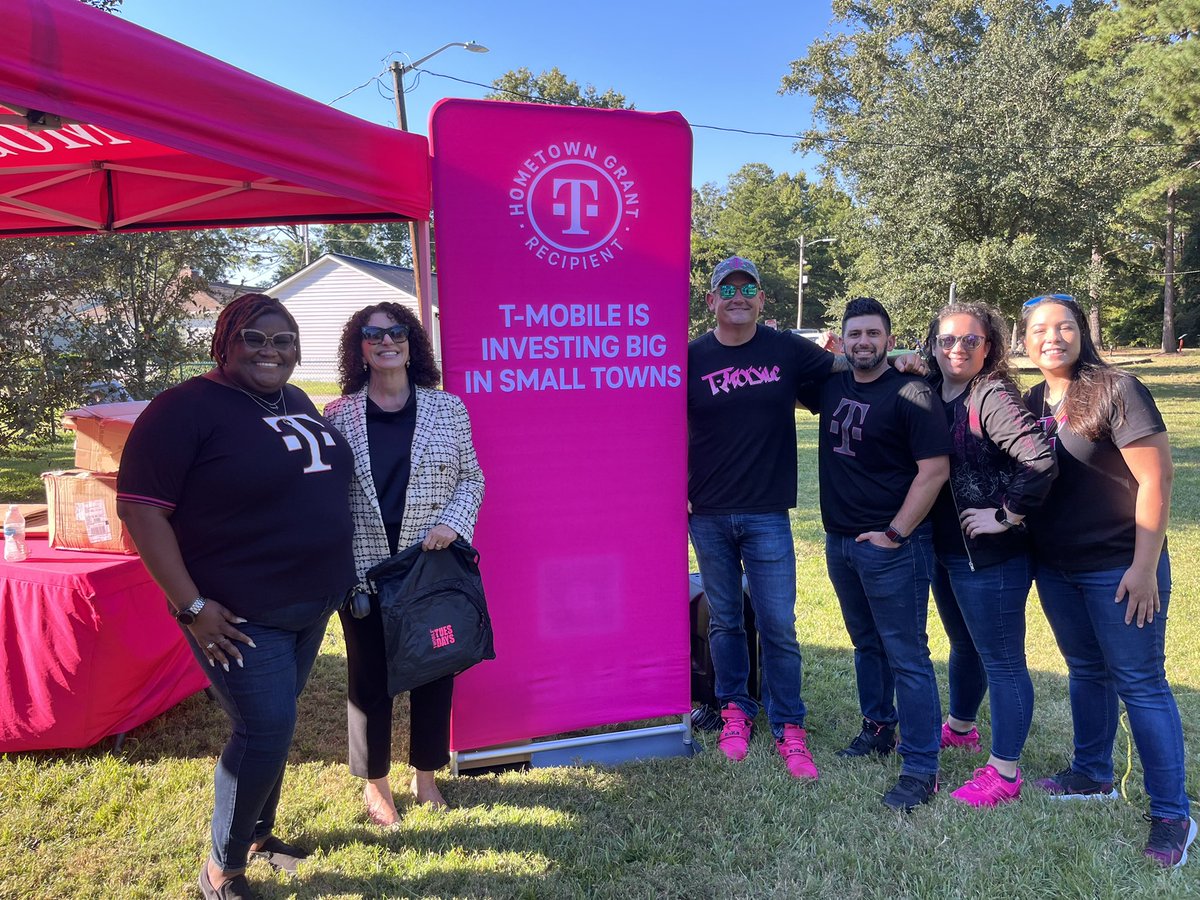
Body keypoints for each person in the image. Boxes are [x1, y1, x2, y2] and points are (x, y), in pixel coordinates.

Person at [117, 293, 355, 900]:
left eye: (283, 340)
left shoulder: (294, 400)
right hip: (238, 615)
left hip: (308, 604)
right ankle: (221, 870)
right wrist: (191, 607)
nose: (270, 351)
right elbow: (142, 512)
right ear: (223, 342)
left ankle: (258, 836)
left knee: (276, 723)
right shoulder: (182, 410)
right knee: (265, 729)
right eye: (255, 338)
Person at [1021, 294, 1194, 868]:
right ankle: (1091, 774)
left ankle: (1174, 813)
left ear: (1082, 332)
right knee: (1087, 671)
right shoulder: (1032, 401)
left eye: (1064, 326)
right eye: (1040, 329)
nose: (1053, 337)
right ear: (1024, 341)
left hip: (1118, 569)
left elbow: (1157, 480)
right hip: (1057, 567)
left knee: (1141, 684)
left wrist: (1144, 568)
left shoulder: (1118, 390)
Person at [324, 303, 484, 826]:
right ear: (360, 347)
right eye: (373, 334)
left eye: (396, 332)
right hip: (365, 570)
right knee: (370, 678)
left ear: (411, 343)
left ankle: (426, 777)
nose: (386, 341)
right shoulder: (337, 416)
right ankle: (376, 787)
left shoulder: (448, 408)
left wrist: (453, 524)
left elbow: (473, 480)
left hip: (428, 567)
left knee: (433, 671)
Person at [687, 256, 846, 781]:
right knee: (726, 620)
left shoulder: (785, 349)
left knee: (779, 625)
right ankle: (735, 709)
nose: (738, 295)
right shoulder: (690, 358)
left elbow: (849, 368)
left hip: (767, 514)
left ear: (760, 299)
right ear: (711, 300)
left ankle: (789, 722)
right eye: (726, 288)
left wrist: (907, 359)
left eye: (747, 287)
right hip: (706, 512)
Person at [797, 297, 950, 811]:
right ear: (842, 341)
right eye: (855, 334)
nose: (864, 342)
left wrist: (895, 533)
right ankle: (878, 727)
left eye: (874, 334)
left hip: (892, 546)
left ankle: (922, 766)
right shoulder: (830, 384)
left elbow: (934, 471)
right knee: (866, 644)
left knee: (907, 654)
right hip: (840, 541)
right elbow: (784, 370)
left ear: (889, 339)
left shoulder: (912, 391)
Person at [923, 302, 1056, 807]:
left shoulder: (991, 395)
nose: (956, 349)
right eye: (947, 340)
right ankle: (960, 727)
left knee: (1001, 661)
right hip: (945, 548)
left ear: (990, 346)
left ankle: (1005, 772)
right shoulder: (935, 389)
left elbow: (1039, 460)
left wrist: (1006, 515)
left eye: (969, 341)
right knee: (964, 645)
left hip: (991, 555)